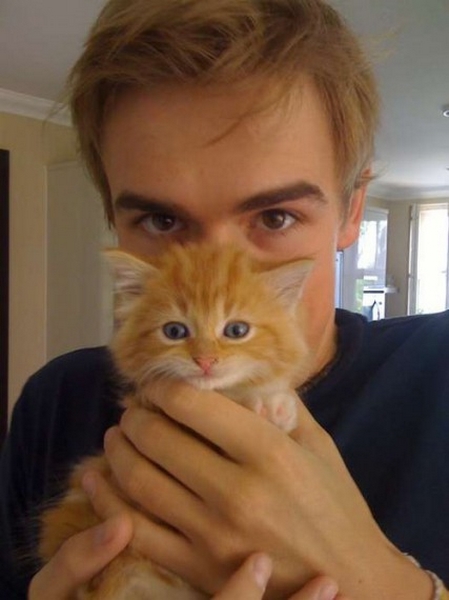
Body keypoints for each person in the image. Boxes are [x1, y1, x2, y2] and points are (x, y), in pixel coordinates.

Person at [1, 0, 448, 598]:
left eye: (275, 215)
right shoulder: (55, 401)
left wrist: (388, 584)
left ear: (352, 212)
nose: (218, 270)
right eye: (161, 220)